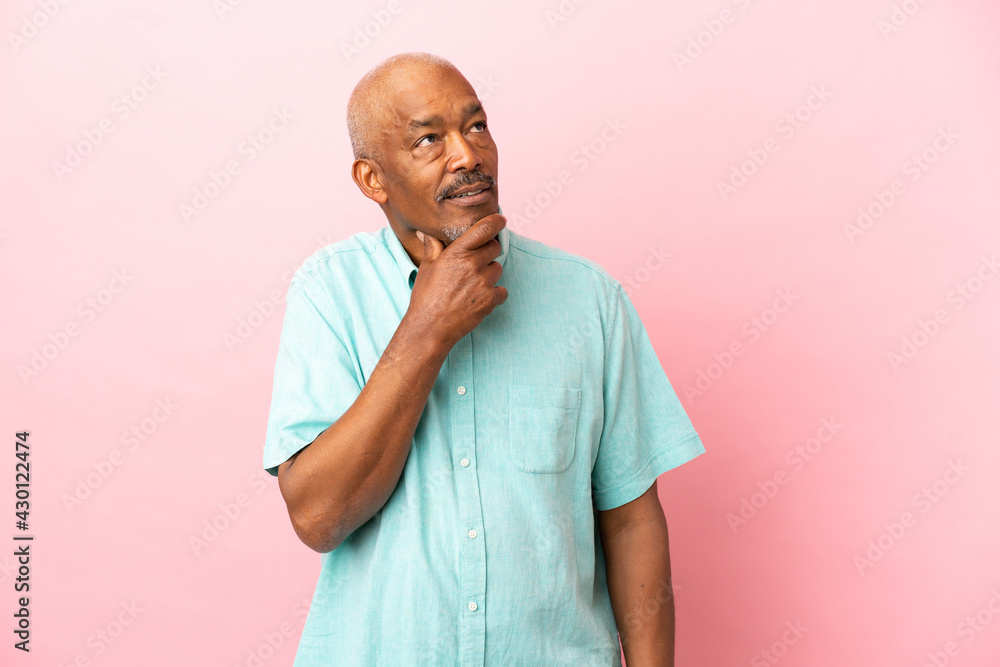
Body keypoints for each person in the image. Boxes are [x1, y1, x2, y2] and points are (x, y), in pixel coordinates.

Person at [263, 51, 705, 667]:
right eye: (427, 139)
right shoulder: (329, 293)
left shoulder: (589, 299)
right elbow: (318, 517)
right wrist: (426, 329)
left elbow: (631, 521)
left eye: (476, 126)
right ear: (372, 179)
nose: (468, 155)